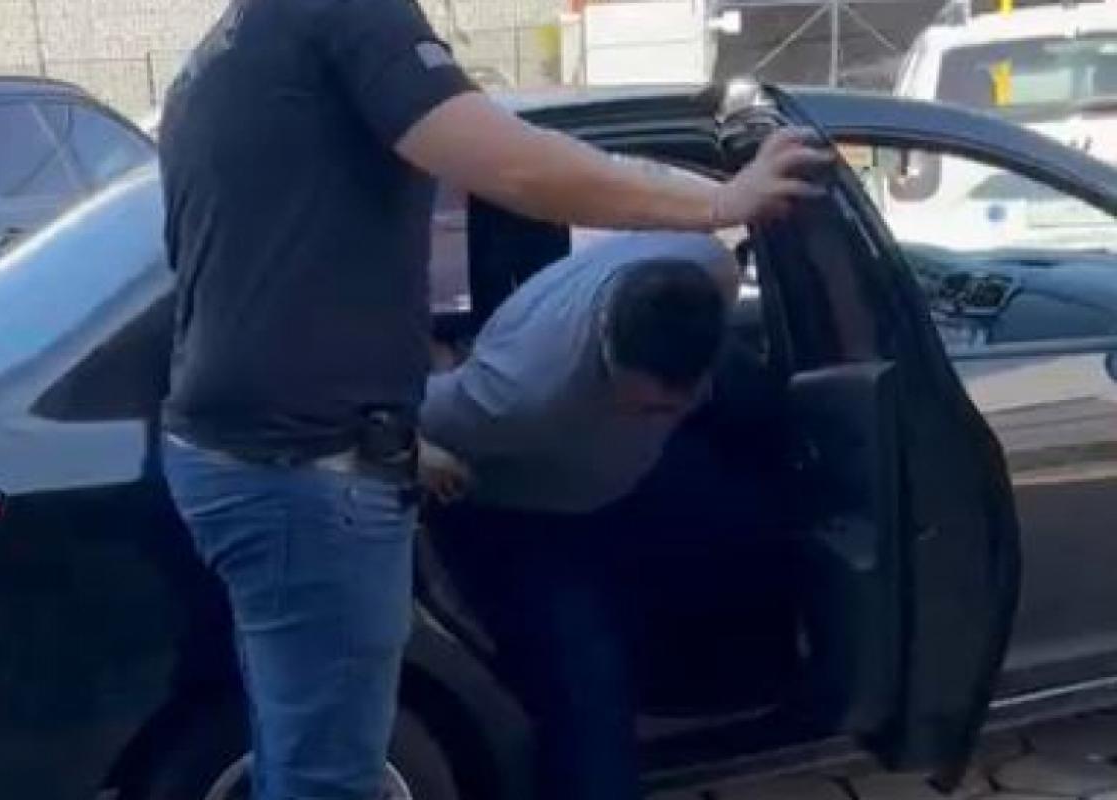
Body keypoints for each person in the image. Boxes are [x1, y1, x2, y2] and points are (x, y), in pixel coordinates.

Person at [156, 0, 831, 796]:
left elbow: (244, 280)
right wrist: (721, 203)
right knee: (329, 777)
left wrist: (398, 435)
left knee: (298, 751)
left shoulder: (221, 57)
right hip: (309, 472)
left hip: (243, 455)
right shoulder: (348, 13)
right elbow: (514, 168)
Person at [420, 232, 753, 800]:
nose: (660, 414)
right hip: (528, 515)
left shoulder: (706, 272)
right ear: (609, 356)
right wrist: (415, 451)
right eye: (645, 406)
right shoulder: (518, 394)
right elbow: (367, 408)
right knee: (586, 695)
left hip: (625, 483)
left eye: (676, 403)